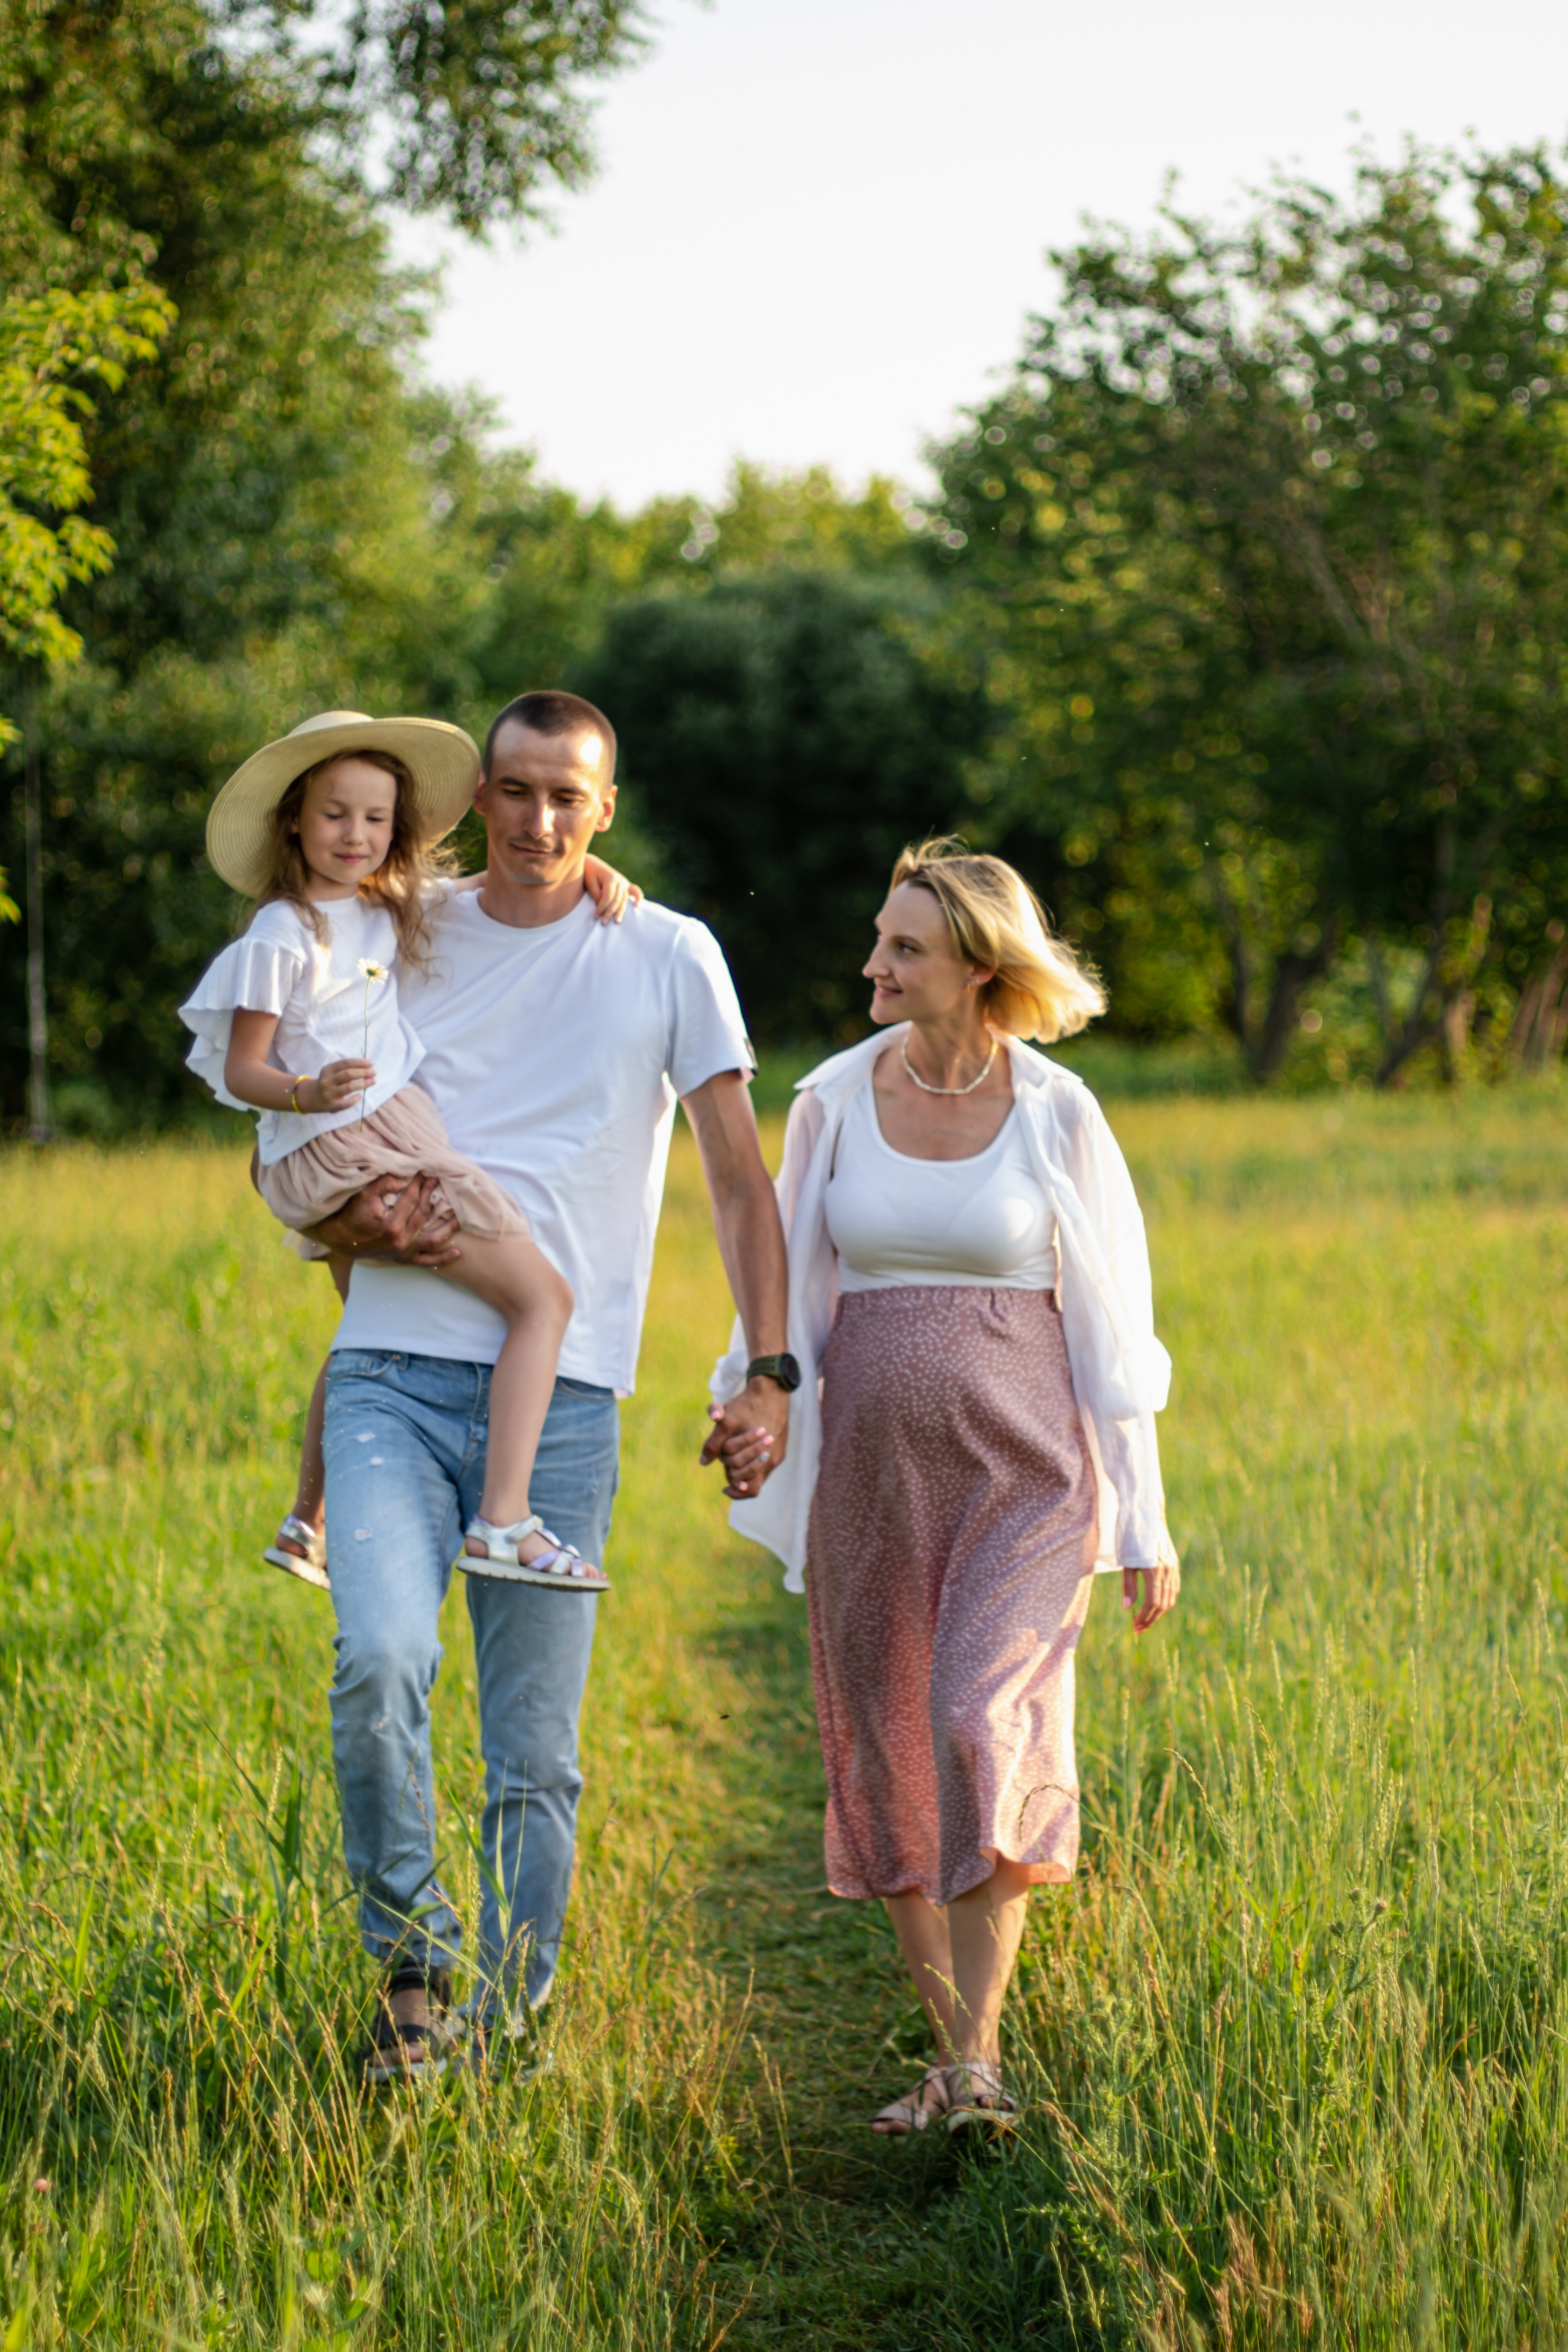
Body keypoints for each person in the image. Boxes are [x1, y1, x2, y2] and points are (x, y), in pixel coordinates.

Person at [303, 690, 791, 2078]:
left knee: (535, 1753)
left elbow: (737, 1179)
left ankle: (513, 2026)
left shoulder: (668, 953)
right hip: (389, 1372)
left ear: (606, 808)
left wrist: (768, 1374)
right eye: (512, 791)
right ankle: (415, 1975)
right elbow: (307, 1108)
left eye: (566, 796)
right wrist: (350, 1230)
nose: (538, 822)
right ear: (477, 801)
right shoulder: (406, 935)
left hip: (562, 1398)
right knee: (378, 1658)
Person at [710, 840, 1178, 2135]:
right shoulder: (830, 1098)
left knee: (981, 1720)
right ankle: (956, 2060)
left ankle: (974, 2057)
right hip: (869, 1469)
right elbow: (786, 1284)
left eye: (902, 947)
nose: (872, 963)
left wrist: (1140, 1513)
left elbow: (1110, 1326)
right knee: (885, 1741)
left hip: (1026, 1472)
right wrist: (751, 1400)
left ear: (977, 965)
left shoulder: (1055, 1110)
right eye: (877, 939)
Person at [179, 709, 636, 1594]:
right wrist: (307, 1092)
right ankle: (505, 1519)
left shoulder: (383, 906)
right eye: (334, 815)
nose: (356, 836)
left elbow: (518, 876)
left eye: (376, 818)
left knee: (365, 1330)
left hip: (360, 1134)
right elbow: (243, 1069)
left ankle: (305, 1519)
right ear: (294, 823)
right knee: (544, 1298)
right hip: (351, 1140)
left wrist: (594, 867)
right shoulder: (284, 932)